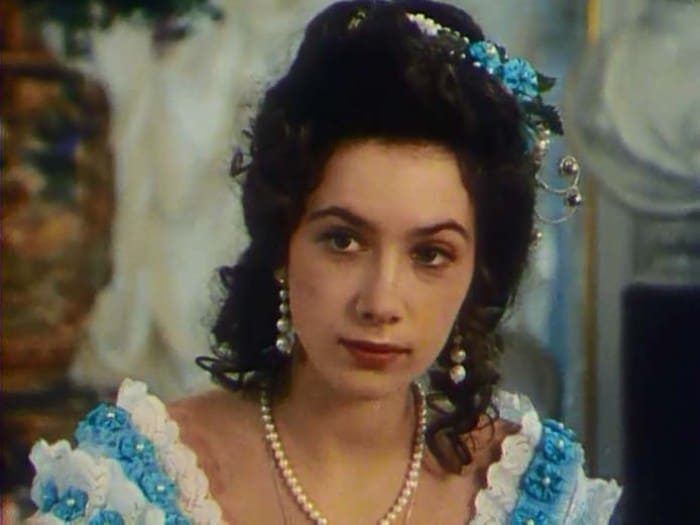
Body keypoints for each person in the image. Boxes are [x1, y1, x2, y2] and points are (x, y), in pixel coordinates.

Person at [27, 1, 622, 523]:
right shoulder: (141, 485)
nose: (380, 302)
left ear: (478, 275)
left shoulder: (532, 496)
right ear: (282, 244)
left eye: (430, 254)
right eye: (343, 241)